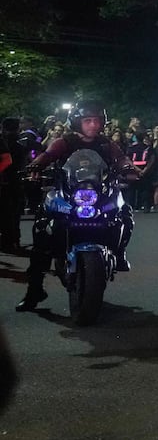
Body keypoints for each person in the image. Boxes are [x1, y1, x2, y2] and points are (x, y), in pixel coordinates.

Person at [17, 102, 139, 312]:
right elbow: (48, 155)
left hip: (98, 194)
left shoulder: (105, 144)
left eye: (97, 120)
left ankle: (119, 253)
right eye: (87, 120)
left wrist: (128, 168)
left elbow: (120, 159)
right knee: (43, 227)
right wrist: (36, 166)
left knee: (124, 212)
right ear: (77, 122)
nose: (93, 125)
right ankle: (34, 290)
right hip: (68, 192)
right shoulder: (65, 142)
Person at [0, 119, 23, 254]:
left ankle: (9, 241)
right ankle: (12, 240)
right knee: (12, 213)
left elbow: (7, 159)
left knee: (7, 213)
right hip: (14, 180)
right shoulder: (20, 141)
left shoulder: (4, 141)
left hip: (6, 181)